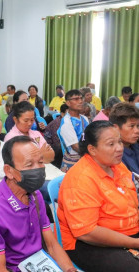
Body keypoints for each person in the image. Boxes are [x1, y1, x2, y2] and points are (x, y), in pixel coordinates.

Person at [0, 136, 76, 272]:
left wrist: (70, 269)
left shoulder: (35, 195)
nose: (38, 169)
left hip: (43, 262)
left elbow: (52, 244)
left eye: (40, 162)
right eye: (29, 165)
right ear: (9, 171)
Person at [57, 121, 139, 271]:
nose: (119, 148)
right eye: (111, 144)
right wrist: (133, 243)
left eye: (119, 141)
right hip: (90, 243)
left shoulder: (117, 166)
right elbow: (87, 233)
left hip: (128, 231)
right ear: (92, 150)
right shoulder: (80, 179)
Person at [58, 89, 89, 172]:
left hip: (86, 156)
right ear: (68, 103)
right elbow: (75, 147)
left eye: (81, 98)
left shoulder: (84, 118)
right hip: (74, 160)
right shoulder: (66, 122)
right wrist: (94, 153)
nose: (80, 101)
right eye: (76, 99)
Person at [109, 103, 139, 175]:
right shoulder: (113, 156)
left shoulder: (135, 146)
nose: (137, 130)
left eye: (138, 126)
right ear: (115, 128)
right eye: (132, 126)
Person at [44, 104, 68, 168]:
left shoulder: (67, 122)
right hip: (50, 146)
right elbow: (57, 142)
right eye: (68, 114)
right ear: (62, 114)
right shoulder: (57, 124)